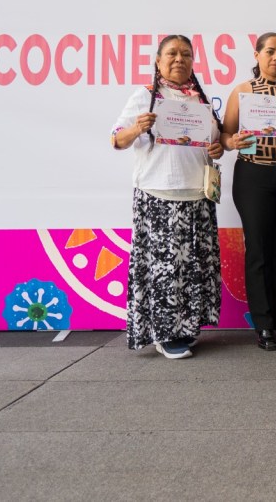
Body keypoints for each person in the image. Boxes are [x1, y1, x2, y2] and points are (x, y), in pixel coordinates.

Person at [110, 34, 224, 359]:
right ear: (158, 61)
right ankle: (164, 333)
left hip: (197, 195)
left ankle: (186, 328)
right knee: (164, 267)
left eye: (186, 54)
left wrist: (216, 147)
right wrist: (136, 128)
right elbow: (116, 140)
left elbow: (213, 141)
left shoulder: (200, 100)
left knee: (191, 267)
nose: (179, 59)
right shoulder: (145, 97)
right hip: (159, 195)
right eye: (171, 54)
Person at [221, 32, 276, 351]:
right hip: (253, 175)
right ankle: (263, 323)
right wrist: (233, 142)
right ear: (257, 55)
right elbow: (226, 135)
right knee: (258, 249)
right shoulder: (243, 91)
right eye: (270, 51)